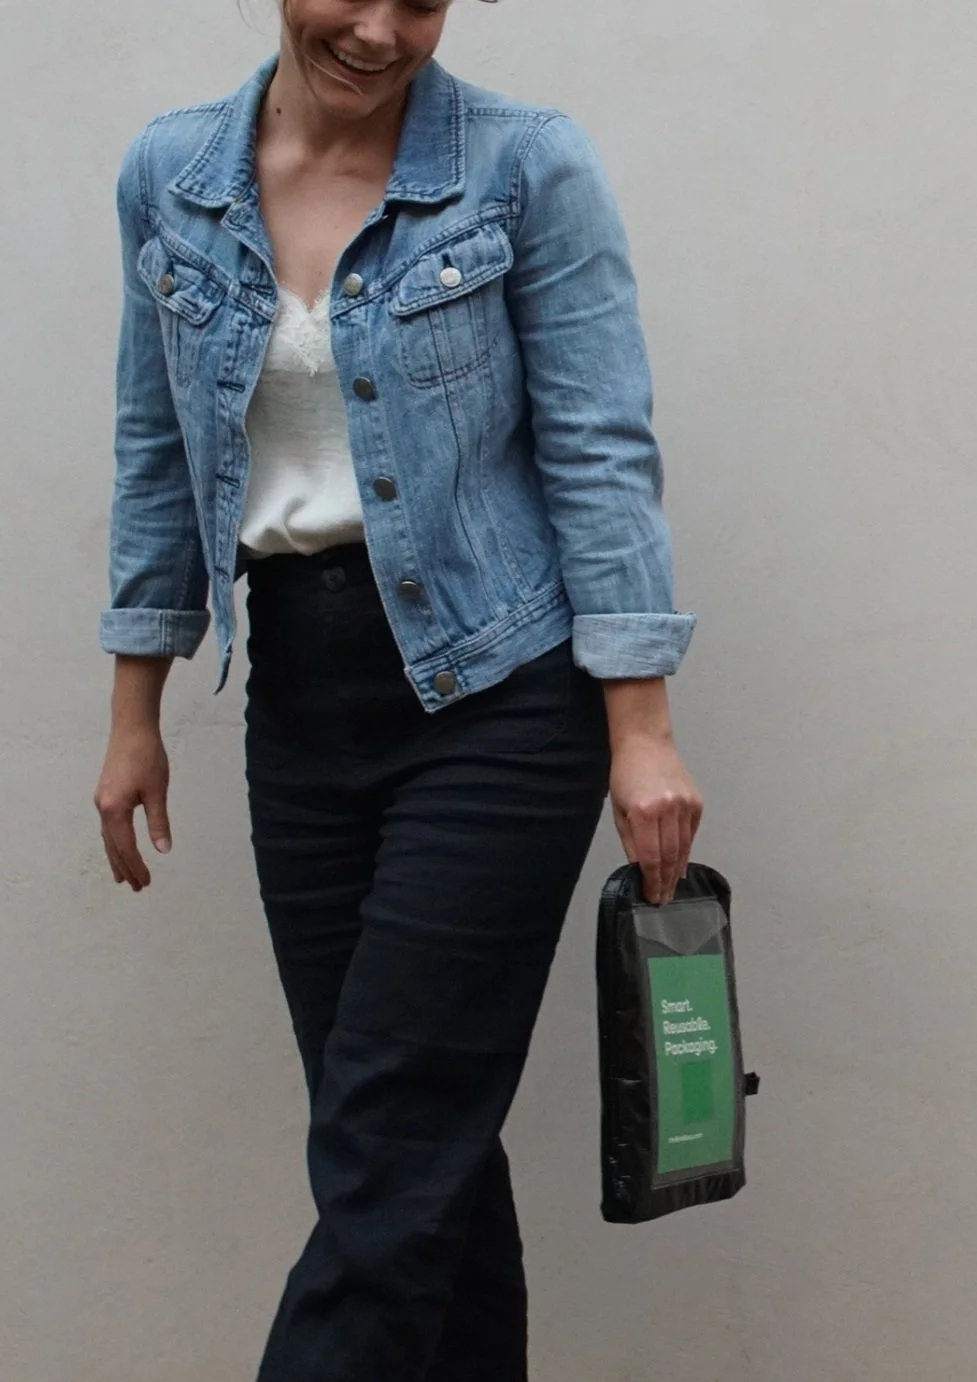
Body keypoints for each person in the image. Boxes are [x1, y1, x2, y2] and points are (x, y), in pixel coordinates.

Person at [92, 1, 702, 1377]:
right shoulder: (171, 176)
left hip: (498, 695)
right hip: (301, 704)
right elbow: (152, 441)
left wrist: (642, 725)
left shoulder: (523, 165)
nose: (378, 31)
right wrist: (136, 711)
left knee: (388, 1146)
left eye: (419, 1)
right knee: (418, 1157)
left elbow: (598, 446)